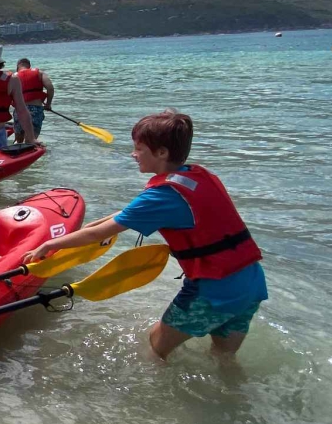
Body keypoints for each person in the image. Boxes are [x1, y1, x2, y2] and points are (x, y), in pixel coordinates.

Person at [21, 110, 267, 361]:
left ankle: (150, 384)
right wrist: (97, 223)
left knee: (155, 345)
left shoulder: (161, 196)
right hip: (251, 282)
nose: (133, 154)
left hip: (213, 289)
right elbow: (130, 213)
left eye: (139, 149)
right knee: (223, 356)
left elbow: (97, 235)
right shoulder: (196, 175)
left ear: (161, 153)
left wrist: (49, 245)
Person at [15, 58, 54, 137]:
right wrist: (48, 104)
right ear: (29, 66)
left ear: (18, 67)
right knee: (32, 138)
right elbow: (50, 88)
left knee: (18, 139)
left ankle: (17, 142)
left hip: (20, 110)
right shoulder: (39, 73)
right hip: (35, 109)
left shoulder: (14, 76)